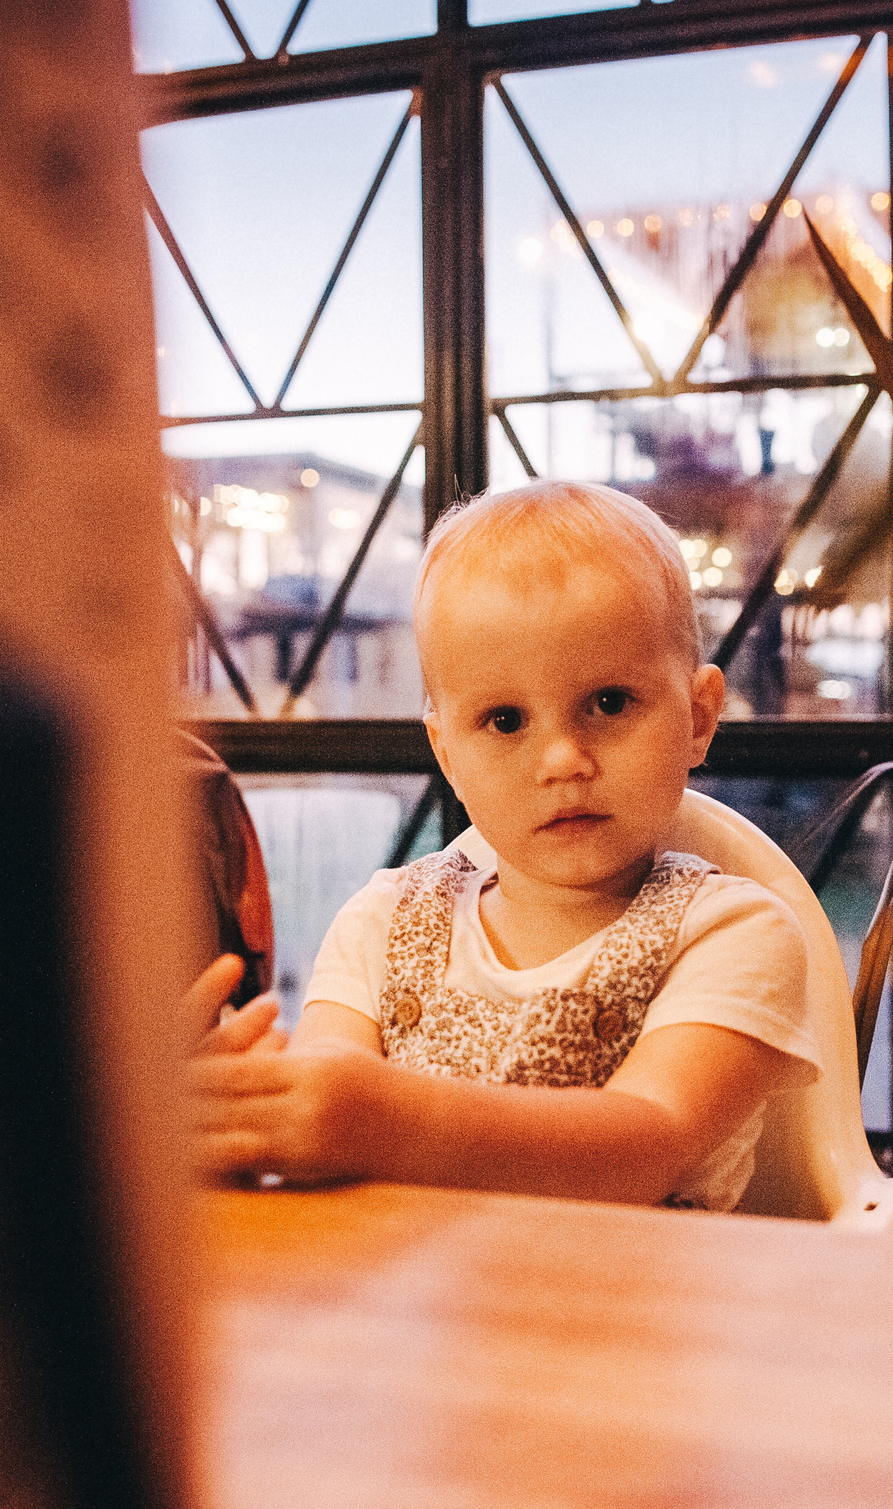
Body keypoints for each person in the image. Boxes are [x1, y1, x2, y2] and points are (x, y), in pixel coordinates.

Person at [182, 480, 817, 1209]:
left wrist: (377, 1120)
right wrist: (235, 1119)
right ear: (447, 752)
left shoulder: (735, 930)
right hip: (415, 1307)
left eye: (609, 702)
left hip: (645, 1311)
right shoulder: (385, 922)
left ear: (699, 719)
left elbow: (647, 1143)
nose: (563, 759)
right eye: (506, 720)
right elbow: (328, 1129)